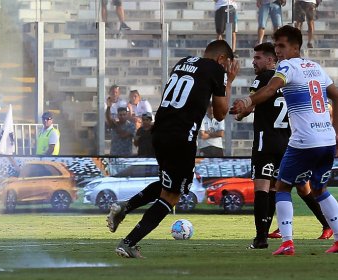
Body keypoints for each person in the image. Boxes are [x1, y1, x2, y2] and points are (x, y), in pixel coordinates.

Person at [107, 40, 239, 258]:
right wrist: (229, 81)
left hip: (160, 132)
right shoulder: (217, 69)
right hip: (181, 136)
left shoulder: (183, 62)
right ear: (221, 59)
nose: (226, 69)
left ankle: (125, 207)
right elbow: (220, 113)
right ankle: (128, 242)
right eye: (227, 65)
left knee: (166, 184)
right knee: (172, 196)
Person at [231, 25, 338, 255]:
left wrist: (247, 102)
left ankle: (287, 242)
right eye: (276, 45)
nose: (278, 50)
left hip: (304, 140)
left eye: (282, 45)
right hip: (327, 139)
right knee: (319, 189)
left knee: (281, 187)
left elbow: (270, 89)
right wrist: (335, 131)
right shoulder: (317, 68)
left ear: (295, 47)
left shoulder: (287, 66)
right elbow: (337, 96)